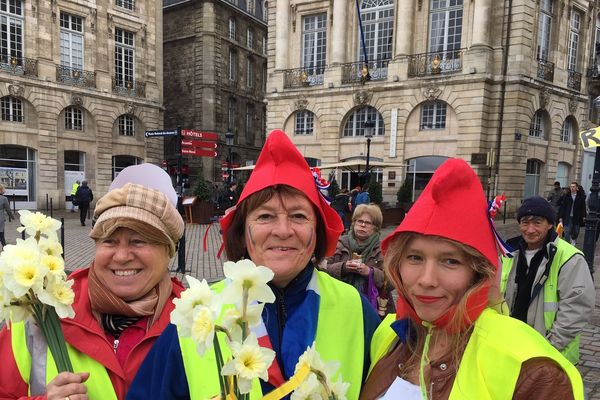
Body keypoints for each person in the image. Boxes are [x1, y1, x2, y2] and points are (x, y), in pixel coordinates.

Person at [128, 130, 380, 399]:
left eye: (298, 216)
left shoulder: (354, 308)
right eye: (265, 216)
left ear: (317, 229)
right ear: (241, 232)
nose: (283, 230)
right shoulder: (198, 312)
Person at [361, 158, 584, 400]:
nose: (426, 280)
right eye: (415, 257)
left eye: (450, 261)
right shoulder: (389, 333)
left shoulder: (532, 370)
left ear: (478, 272)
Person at [0, 163, 185, 399]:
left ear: (169, 250)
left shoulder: (197, 323)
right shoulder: (38, 312)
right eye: (109, 241)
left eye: (139, 241)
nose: (121, 256)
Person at [501, 196, 595, 365]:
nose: (530, 229)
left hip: (551, 354)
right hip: (513, 349)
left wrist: (547, 348)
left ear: (550, 224)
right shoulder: (509, 253)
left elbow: (576, 308)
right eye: (525, 222)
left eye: (537, 223)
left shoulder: (569, 258)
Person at [324, 203, 395, 316]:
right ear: (353, 223)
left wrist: (370, 272)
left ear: (375, 227)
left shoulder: (383, 250)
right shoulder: (339, 243)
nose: (362, 225)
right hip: (339, 306)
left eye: (367, 223)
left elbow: (393, 282)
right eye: (359, 221)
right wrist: (343, 267)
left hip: (374, 310)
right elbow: (322, 270)